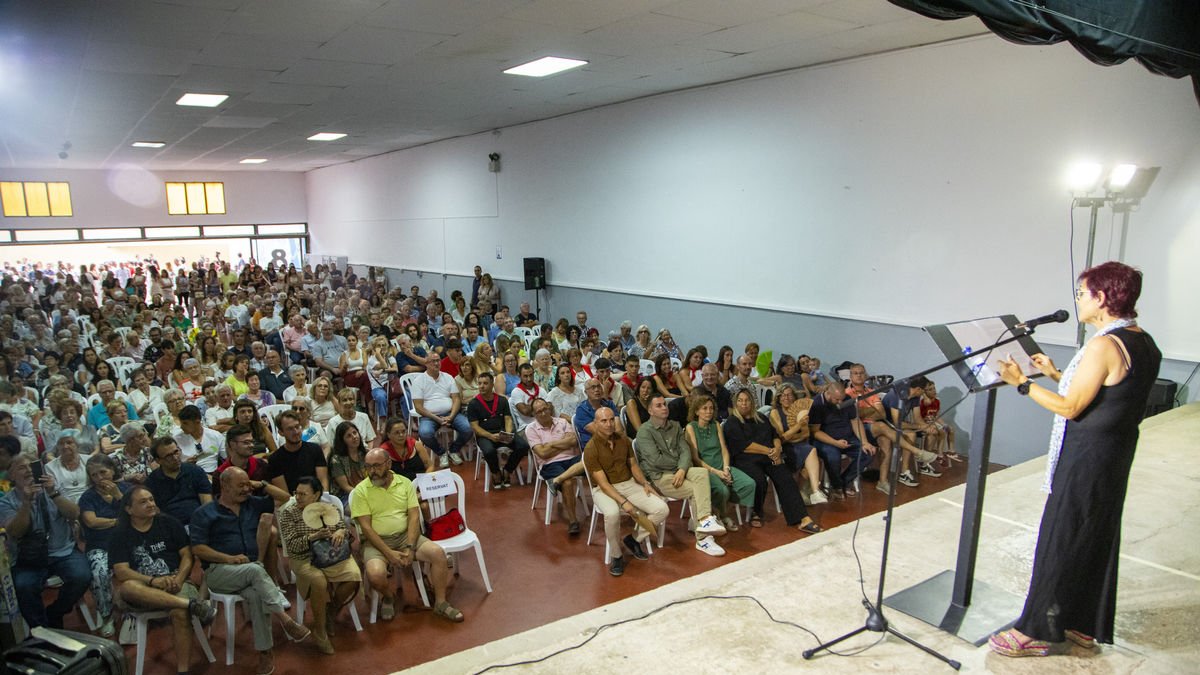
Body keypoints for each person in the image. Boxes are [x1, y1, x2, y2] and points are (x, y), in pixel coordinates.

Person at [989, 262, 1161, 658]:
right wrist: (1053, 373)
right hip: (1114, 456)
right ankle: (1080, 624)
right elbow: (1107, 395)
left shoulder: (1104, 344)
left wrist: (1023, 384)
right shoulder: (1141, 340)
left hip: (1087, 457)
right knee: (1093, 536)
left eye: (1082, 293)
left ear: (1102, 298)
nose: (1078, 299)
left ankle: (1035, 631)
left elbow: (1071, 408)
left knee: (1060, 537)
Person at [191, 468, 310, 674]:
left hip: (251, 570)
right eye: (241, 485)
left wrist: (261, 484)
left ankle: (265, 652)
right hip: (219, 571)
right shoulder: (205, 513)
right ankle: (286, 620)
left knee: (256, 592)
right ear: (224, 486)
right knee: (256, 570)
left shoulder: (252, 504)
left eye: (248, 484)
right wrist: (228, 558)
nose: (246, 489)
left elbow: (285, 498)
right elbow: (198, 548)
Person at [109, 485, 219, 675]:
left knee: (178, 612)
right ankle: (192, 604)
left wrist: (180, 577)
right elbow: (121, 571)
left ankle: (182, 670)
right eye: (143, 502)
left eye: (151, 499)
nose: (151, 504)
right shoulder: (120, 533)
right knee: (127, 588)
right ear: (128, 509)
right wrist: (152, 581)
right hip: (145, 588)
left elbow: (187, 555)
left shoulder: (169, 523)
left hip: (176, 580)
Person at [351, 448, 463, 623]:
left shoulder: (404, 483)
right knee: (375, 574)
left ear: (388, 464)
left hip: (406, 537)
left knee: (438, 554)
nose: (372, 471)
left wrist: (410, 548)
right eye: (368, 467)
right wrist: (389, 553)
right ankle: (388, 597)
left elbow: (414, 517)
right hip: (377, 543)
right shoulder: (361, 491)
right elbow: (366, 528)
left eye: (376, 466)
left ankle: (440, 603)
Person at [0, 452, 90, 629]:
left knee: (82, 576)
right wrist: (26, 503)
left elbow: (74, 513)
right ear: (11, 475)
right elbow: (16, 532)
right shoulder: (6, 502)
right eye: (21, 467)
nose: (28, 471)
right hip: (27, 559)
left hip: (62, 551)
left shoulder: (53, 488)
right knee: (24, 586)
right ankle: (41, 629)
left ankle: (55, 613)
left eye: (31, 466)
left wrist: (53, 494)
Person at [276, 476, 362, 654]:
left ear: (315, 495)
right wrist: (312, 538)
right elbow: (291, 546)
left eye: (303, 494)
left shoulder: (328, 509)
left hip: (331, 555)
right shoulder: (289, 513)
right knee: (318, 580)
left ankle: (332, 609)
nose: (297, 497)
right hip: (304, 558)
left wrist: (340, 531)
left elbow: (344, 531)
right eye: (296, 493)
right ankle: (320, 630)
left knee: (354, 575)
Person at [635, 393, 727, 556]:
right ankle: (703, 539)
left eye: (665, 404)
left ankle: (703, 520)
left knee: (701, 473)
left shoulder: (675, 426)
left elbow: (685, 451)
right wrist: (679, 466)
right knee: (696, 490)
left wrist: (682, 469)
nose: (664, 407)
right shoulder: (644, 432)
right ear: (650, 410)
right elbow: (656, 461)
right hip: (660, 477)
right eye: (659, 405)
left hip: (679, 471)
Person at [583, 407, 669, 577]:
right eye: (603, 421)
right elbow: (603, 483)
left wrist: (645, 483)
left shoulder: (624, 440)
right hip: (604, 489)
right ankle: (616, 555)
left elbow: (633, 465)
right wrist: (624, 502)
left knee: (662, 509)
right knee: (612, 514)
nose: (609, 424)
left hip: (628, 483)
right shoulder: (591, 449)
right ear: (595, 424)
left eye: (611, 420)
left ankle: (634, 539)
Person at [722, 389, 820, 533]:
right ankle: (757, 511)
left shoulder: (761, 417)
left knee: (785, 477)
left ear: (752, 402)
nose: (744, 403)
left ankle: (803, 518)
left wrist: (777, 448)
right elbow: (744, 446)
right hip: (744, 459)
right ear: (735, 403)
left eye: (747, 400)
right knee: (759, 479)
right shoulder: (732, 422)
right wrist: (769, 451)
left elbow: (775, 435)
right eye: (740, 400)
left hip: (769, 456)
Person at [685, 394, 755, 532]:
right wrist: (716, 472)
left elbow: (724, 450)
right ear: (696, 411)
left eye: (711, 408)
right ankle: (723, 515)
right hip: (705, 469)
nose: (708, 411)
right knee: (722, 490)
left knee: (749, 484)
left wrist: (726, 469)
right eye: (704, 408)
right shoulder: (690, 427)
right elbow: (696, 459)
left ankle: (720, 511)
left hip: (722, 466)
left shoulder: (716, 424)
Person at [77, 454, 126, 637]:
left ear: (112, 471)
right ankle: (106, 616)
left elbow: (136, 514)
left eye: (103, 472)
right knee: (99, 573)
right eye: (94, 475)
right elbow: (91, 521)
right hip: (100, 544)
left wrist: (118, 496)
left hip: (126, 543)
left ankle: (140, 606)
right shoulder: (88, 497)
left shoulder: (126, 490)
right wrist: (117, 521)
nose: (99, 478)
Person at [809, 381, 875, 500]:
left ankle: (842, 482)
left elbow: (855, 421)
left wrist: (865, 441)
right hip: (826, 440)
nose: (840, 402)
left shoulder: (847, 399)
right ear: (828, 394)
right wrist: (835, 443)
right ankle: (837, 487)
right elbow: (815, 432)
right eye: (837, 400)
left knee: (867, 454)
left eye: (842, 399)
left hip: (847, 437)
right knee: (833, 457)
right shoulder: (817, 404)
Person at [525, 399, 583, 535]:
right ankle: (573, 521)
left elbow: (573, 441)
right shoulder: (531, 429)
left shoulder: (562, 422)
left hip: (571, 459)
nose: (544, 413)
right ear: (534, 414)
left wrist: (550, 444)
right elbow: (543, 453)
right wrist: (563, 443)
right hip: (549, 464)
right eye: (539, 411)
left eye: (545, 409)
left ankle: (556, 481)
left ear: (549, 408)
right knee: (568, 482)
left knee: (590, 459)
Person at [467, 372, 529, 490]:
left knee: (523, 446)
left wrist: (507, 433)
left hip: (502, 434)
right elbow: (475, 427)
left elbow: (508, 418)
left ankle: (507, 470)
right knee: (489, 451)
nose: (482, 386)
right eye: (479, 383)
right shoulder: (473, 404)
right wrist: (490, 436)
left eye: (485, 383)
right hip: (485, 435)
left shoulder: (502, 400)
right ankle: (495, 473)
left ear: (492, 385)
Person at [768, 384, 826, 504]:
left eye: (789, 395)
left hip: (800, 445)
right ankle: (806, 492)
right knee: (810, 452)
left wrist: (792, 436)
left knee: (811, 451)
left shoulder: (801, 411)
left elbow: (805, 435)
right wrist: (798, 426)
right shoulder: (775, 413)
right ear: (778, 398)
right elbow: (781, 438)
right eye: (783, 395)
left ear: (794, 397)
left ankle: (814, 492)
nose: (786, 398)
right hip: (782, 448)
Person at [410, 356, 471, 468]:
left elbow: (456, 399)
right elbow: (418, 407)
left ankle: (453, 450)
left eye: (438, 360)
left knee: (468, 428)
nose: (437, 363)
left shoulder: (448, 377)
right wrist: (436, 418)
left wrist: (451, 416)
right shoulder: (418, 381)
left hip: (450, 413)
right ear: (426, 364)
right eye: (433, 361)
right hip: (429, 416)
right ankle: (441, 452)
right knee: (424, 433)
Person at [145, 436, 213, 526]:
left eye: (176, 452)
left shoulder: (195, 471)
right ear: (158, 461)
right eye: (168, 456)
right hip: (170, 527)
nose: (175, 458)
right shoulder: (152, 481)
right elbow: (155, 512)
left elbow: (207, 502)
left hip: (199, 521)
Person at [270, 410, 329, 493]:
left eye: (297, 427)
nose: (296, 432)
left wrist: (323, 498)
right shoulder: (275, 459)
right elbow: (283, 493)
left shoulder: (315, 449)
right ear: (281, 432)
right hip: (291, 501)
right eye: (290, 429)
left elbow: (323, 481)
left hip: (317, 498)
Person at [174, 404, 224, 472]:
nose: (181, 427)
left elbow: (226, 458)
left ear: (197, 422)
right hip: (188, 474)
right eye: (181, 423)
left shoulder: (215, 436)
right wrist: (184, 465)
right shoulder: (176, 440)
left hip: (213, 473)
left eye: (185, 423)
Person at [46, 434, 90, 502]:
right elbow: (55, 490)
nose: (65, 446)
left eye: (69, 442)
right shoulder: (50, 467)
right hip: (65, 502)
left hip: (91, 499)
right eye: (61, 444)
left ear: (77, 445)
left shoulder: (89, 460)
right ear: (57, 447)